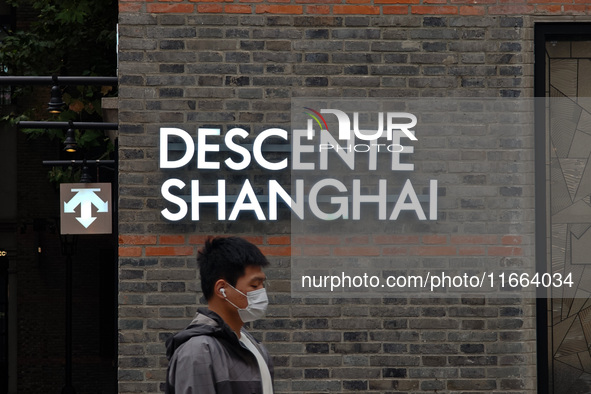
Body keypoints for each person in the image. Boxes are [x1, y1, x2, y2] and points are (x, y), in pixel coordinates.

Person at [165, 236, 273, 394]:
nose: (261, 291)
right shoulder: (198, 352)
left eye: (262, 284)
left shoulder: (252, 345)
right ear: (222, 289)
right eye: (254, 285)